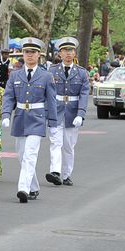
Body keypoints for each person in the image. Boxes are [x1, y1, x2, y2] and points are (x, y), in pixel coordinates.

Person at [1, 37, 58, 203]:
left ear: (39, 54)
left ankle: (23, 188)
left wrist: (52, 123)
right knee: (22, 155)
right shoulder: (15, 75)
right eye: (26, 52)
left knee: (30, 155)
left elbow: (51, 100)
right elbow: (9, 96)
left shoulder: (46, 76)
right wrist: (5, 115)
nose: (29, 55)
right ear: (23, 54)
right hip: (20, 117)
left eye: (33, 52)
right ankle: (33, 187)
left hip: (37, 118)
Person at [46, 37, 89, 187]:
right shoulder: (51, 71)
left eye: (70, 50)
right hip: (56, 110)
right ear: (60, 54)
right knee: (55, 142)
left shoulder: (82, 73)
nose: (68, 53)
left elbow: (84, 95)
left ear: (75, 53)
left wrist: (80, 114)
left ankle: (66, 174)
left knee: (68, 146)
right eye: (65, 50)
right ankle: (55, 172)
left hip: (72, 112)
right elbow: (48, 93)